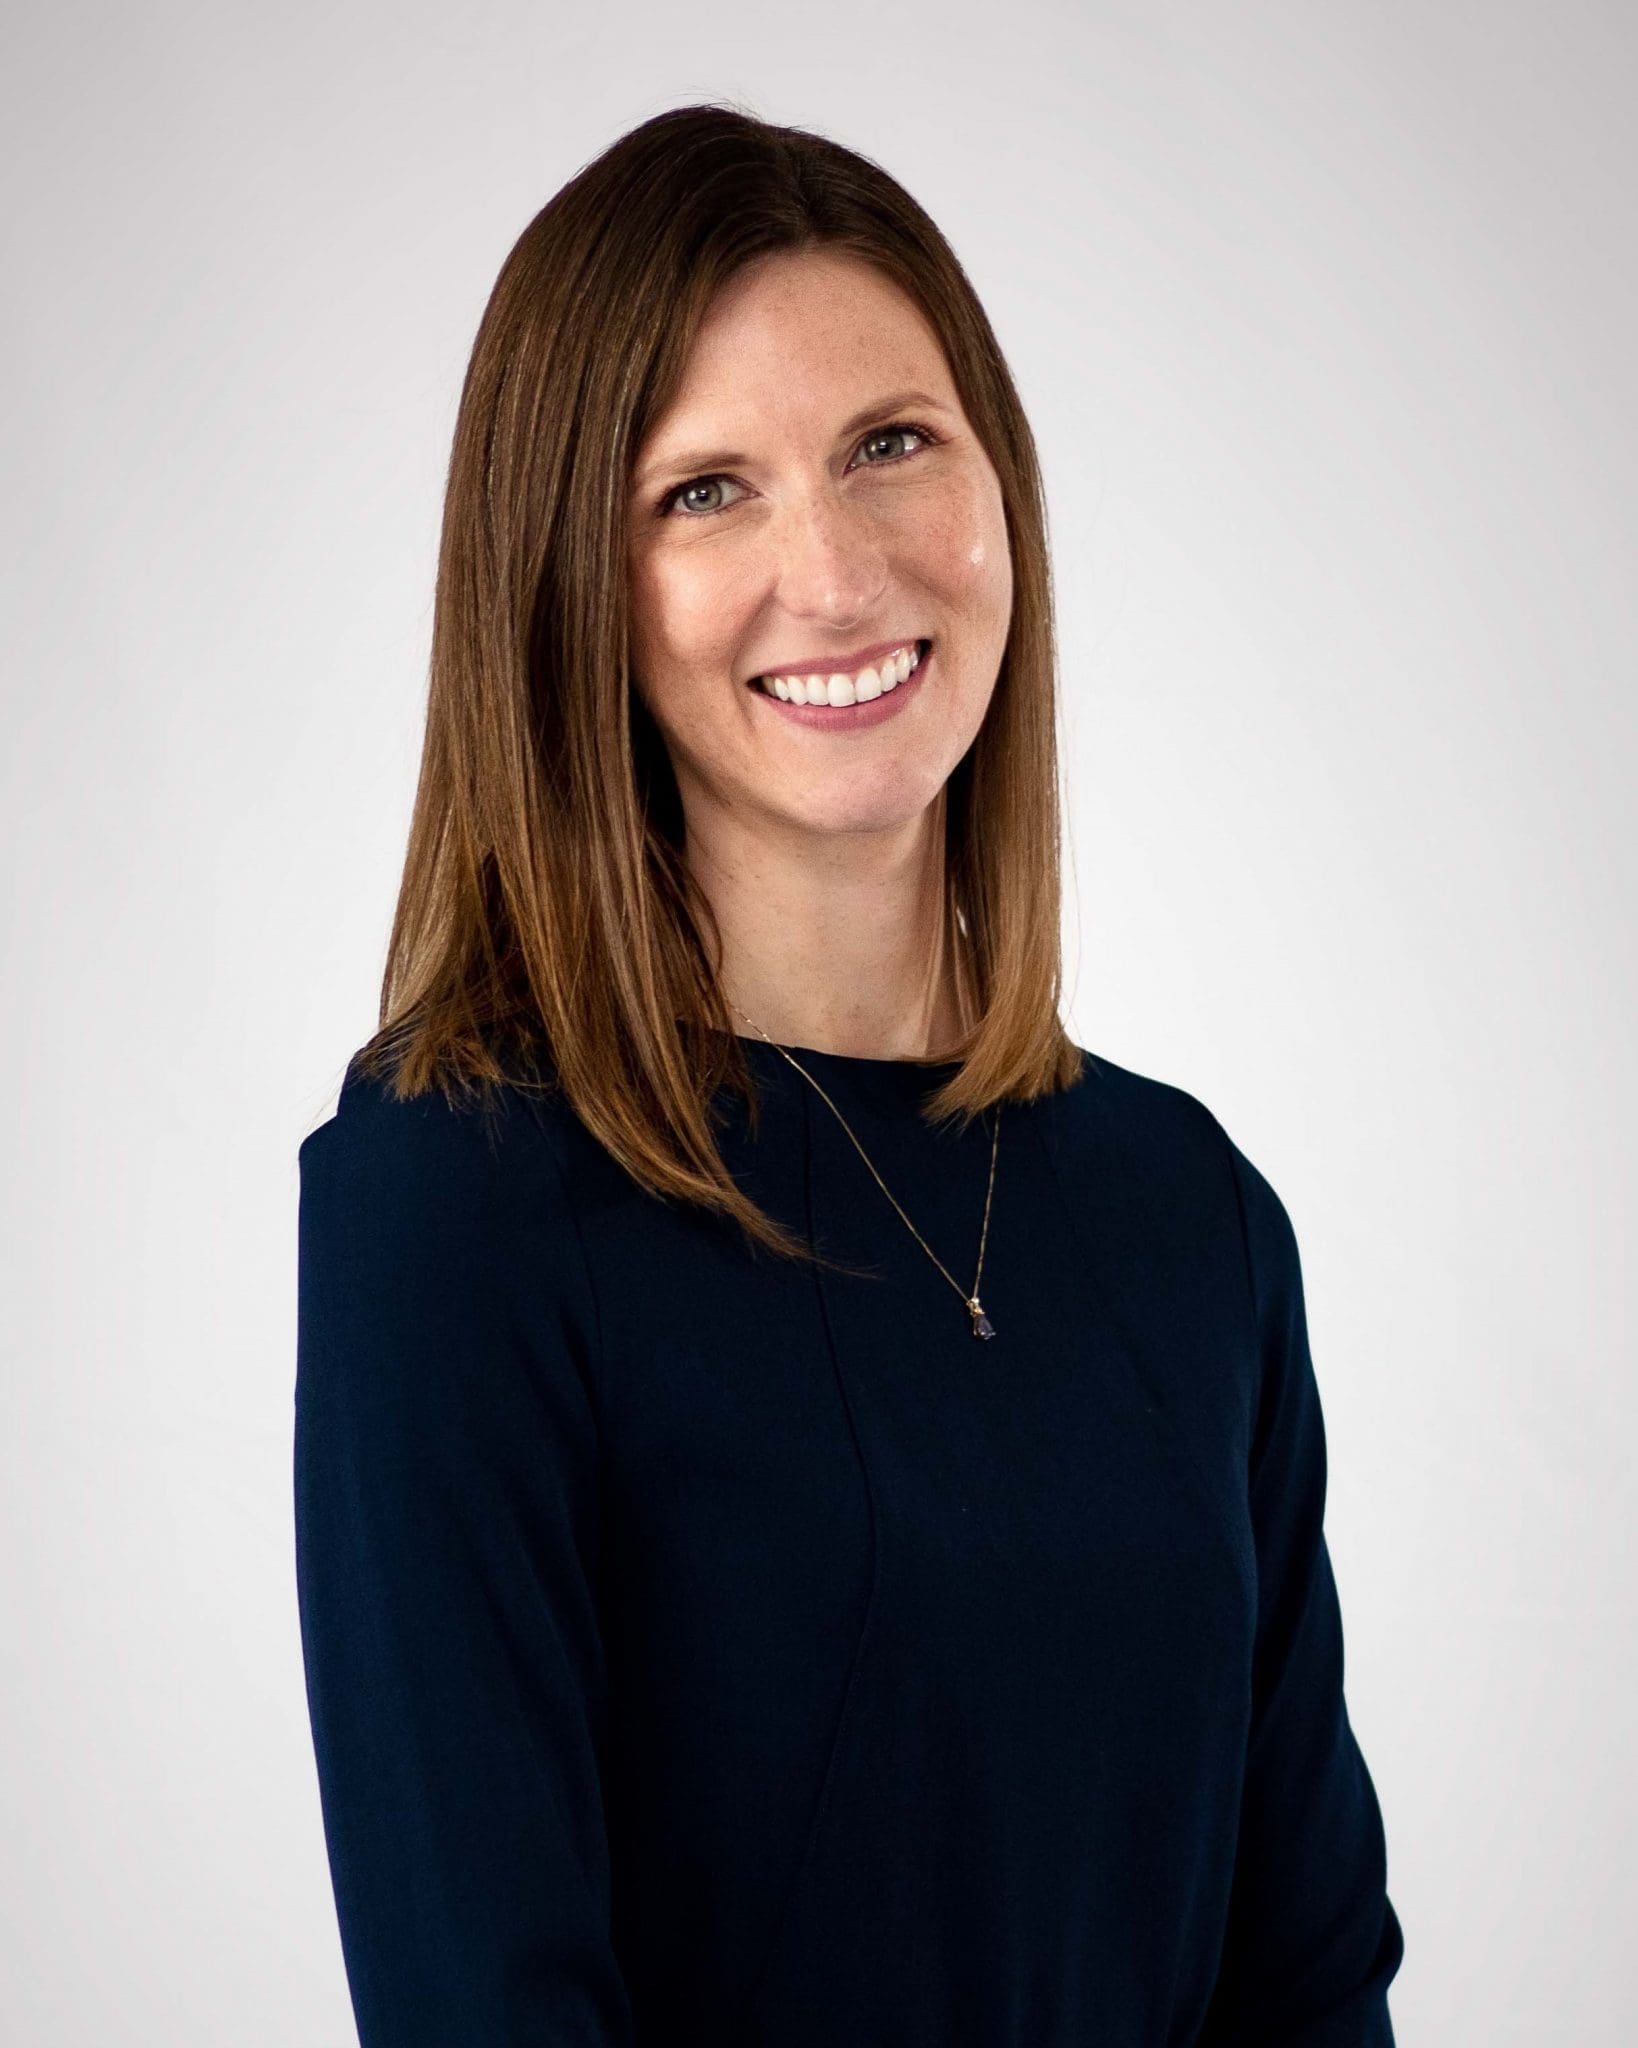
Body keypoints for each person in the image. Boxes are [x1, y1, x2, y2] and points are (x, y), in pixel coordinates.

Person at [293, 101, 1405, 2047]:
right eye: (704, 491)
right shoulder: (458, 1195)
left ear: (1000, 488)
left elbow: (1311, 1982)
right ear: (575, 588)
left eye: (891, 442)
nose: (833, 565)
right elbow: (490, 2002)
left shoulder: (1190, 1213)